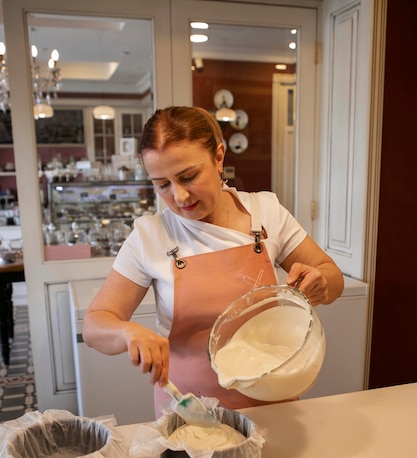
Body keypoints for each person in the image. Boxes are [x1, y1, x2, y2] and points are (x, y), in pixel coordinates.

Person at [83, 106, 344, 416]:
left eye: (188, 176)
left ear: (219, 157)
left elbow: (332, 276)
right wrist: (127, 333)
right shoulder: (150, 236)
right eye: (162, 184)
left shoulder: (266, 213)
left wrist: (320, 283)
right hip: (191, 412)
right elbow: (95, 323)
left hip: (271, 399)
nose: (179, 196)